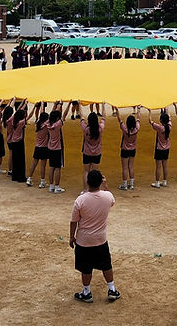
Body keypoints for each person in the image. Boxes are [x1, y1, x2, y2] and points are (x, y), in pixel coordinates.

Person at [70, 169, 121, 303]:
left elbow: (74, 221)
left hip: (84, 240)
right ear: (100, 182)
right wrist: (105, 185)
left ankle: (86, 292)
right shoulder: (107, 196)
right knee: (106, 265)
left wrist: (71, 237)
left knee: (86, 267)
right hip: (100, 239)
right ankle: (112, 289)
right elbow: (111, 199)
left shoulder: (81, 200)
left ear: (87, 182)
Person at [78, 105, 106, 192]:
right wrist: (103, 105)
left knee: (86, 171)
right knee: (95, 172)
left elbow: (81, 117)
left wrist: (79, 105)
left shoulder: (85, 128)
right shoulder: (100, 129)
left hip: (87, 152)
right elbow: (103, 117)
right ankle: (95, 189)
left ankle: (85, 190)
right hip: (97, 152)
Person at [113, 107, 140, 190]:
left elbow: (120, 120)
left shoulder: (125, 129)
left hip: (125, 150)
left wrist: (117, 111)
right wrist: (139, 109)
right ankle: (131, 184)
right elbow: (138, 119)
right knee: (131, 166)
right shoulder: (136, 129)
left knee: (125, 167)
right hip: (133, 150)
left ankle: (124, 184)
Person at [149, 108, 171, 188]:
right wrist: (167, 109)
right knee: (165, 165)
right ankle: (165, 181)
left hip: (159, 148)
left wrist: (150, 112)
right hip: (166, 148)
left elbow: (150, 121)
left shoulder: (160, 128)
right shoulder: (169, 126)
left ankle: (157, 182)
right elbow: (169, 118)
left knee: (158, 166)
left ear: (161, 120)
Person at [27, 111, 50, 188]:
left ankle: (29, 178)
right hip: (44, 147)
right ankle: (42, 181)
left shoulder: (38, 123)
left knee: (34, 163)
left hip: (37, 147)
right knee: (43, 165)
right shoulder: (46, 125)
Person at [47, 106, 66, 194]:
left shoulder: (48, 124)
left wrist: (56, 105)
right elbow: (64, 115)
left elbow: (52, 115)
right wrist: (68, 105)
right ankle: (57, 186)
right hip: (57, 148)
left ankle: (51, 186)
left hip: (50, 147)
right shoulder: (57, 125)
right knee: (58, 168)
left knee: (51, 167)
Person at [7, 104, 28, 182]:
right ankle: (20, 177)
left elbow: (16, 113)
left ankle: (15, 176)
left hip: (13, 141)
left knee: (15, 159)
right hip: (19, 142)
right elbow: (29, 116)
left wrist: (23, 104)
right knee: (21, 160)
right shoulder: (21, 122)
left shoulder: (13, 121)